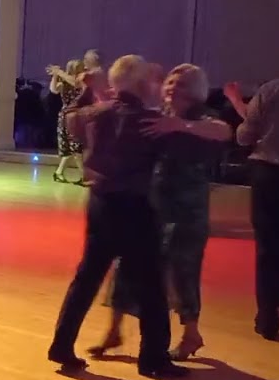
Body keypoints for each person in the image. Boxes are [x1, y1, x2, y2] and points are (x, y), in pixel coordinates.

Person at [46, 55, 232, 379]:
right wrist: (183, 127)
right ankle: (153, 359)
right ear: (139, 83)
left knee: (87, 278)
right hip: (135, 208)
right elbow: (219, 136)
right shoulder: (151, 122)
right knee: (151, 286)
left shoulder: (95, 114)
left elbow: (71, 117)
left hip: (100, 203)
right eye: (148, 78)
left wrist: (88, 92)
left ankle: (62, 345)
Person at [90, 65, 227, 360]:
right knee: (126, 266)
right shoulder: (158, 114)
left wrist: (181, 126)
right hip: (152, 204)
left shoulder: (202, 117)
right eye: (170, 82)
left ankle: (191, 334)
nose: (172, 87)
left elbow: (223, 131)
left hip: (187, 210)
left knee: (181, 272)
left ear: (195, 90)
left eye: (180, 84)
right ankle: (113, 330)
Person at [229, 40, 279, 339]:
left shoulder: (272, 90)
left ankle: (267, 317)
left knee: (270, 247)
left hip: (271, 177)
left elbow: (245, 136)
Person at [48, 58, 89, 184]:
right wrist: (55, 75)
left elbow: (76, 83)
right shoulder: (65, 82)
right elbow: (54, 90)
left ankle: (59, 172)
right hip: (68, 116)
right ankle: (84, 176)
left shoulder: (80, 81)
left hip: (77, 115)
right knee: (74, 147)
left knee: (73, 148)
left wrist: (59, 72)